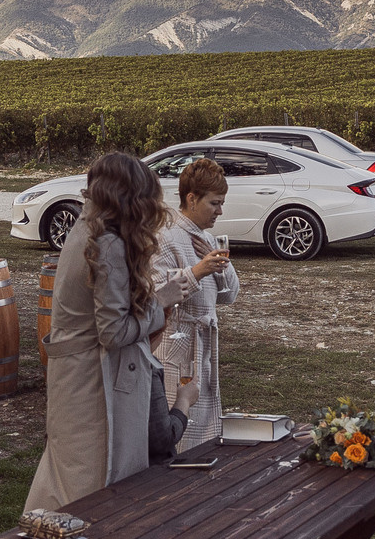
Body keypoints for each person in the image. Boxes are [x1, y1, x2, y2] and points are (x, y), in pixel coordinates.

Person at [23, 152, 167, 512]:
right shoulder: (108, 244)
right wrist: (160, 306)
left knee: (67, 472)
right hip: (93, 381)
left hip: (72, 377)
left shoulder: (85, 229)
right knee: (95, 482)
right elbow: (113, 333)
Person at [154, 157, 238, 451]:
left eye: (222, 203)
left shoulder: (207, 237)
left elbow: (230, 296)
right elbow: (157, 294)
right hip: (178, 346)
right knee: (179, 431)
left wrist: (223, 266)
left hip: (204, 344)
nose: (220, 210)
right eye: (214, 203)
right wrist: (200, 269)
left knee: (206, 431)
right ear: (191, 199)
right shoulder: (165, 237)